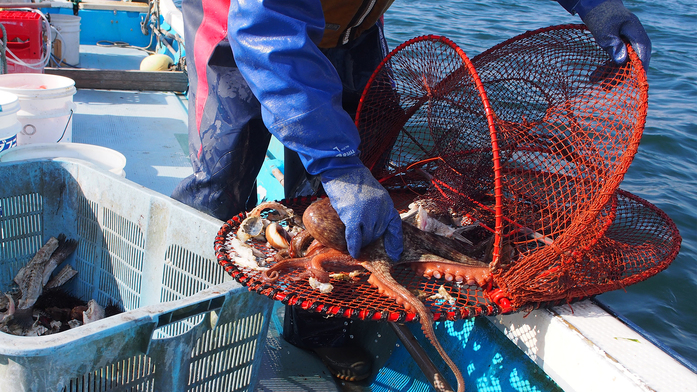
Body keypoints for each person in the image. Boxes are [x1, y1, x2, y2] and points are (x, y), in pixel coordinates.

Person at [173, 0, 651, 382]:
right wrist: (339, 165)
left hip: (352, 29)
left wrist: (595, 3)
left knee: (358, 185)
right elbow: (265, 27)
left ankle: (314, 328)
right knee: (220, 182)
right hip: (241, 23)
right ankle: (182, 322)